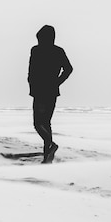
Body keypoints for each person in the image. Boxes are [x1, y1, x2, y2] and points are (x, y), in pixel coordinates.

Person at [28, 25, 73, 163]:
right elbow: (68, 69)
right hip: (50, 91)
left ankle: (50, 146)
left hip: (41, 91)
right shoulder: (57, 51)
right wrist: (57, 82)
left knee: (38, 123)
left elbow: (32, 69)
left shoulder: (37, 50)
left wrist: (56, 82)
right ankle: (47, 154)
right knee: (46, 123)